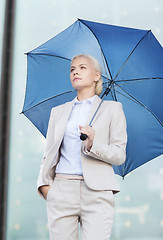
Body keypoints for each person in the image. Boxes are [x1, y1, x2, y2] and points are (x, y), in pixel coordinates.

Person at [37, 54, 127, 240]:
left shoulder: (112, 109)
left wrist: (93, 144)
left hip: (97, 192)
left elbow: (119, 155)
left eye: (82, 67)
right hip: (62, 190)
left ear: (96, 75)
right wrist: (45, 186)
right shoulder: (58, 112)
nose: (75, 71)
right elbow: (49, 153)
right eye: (72, 69)